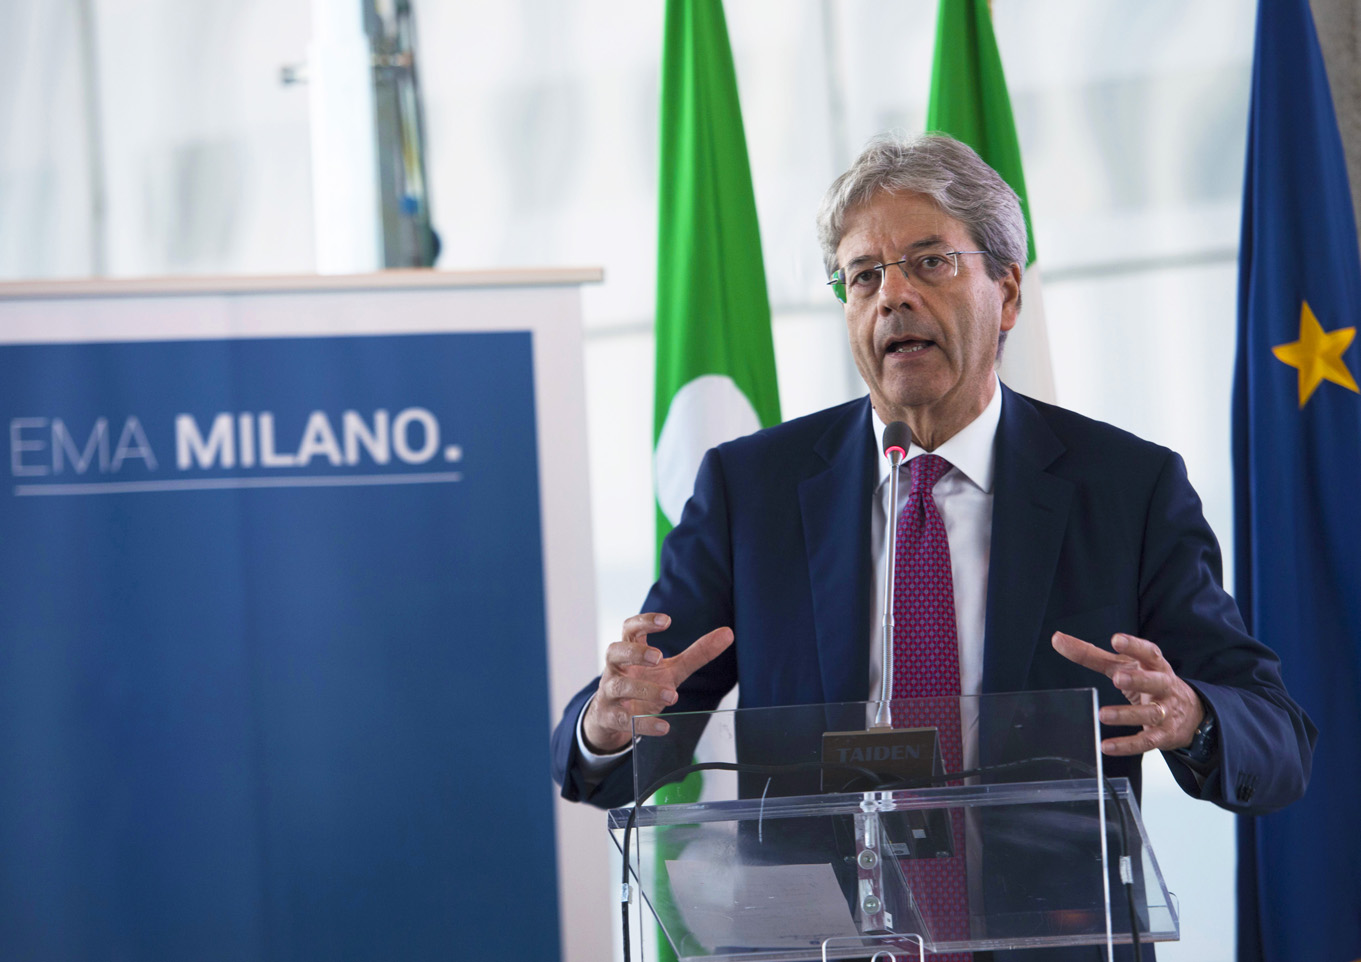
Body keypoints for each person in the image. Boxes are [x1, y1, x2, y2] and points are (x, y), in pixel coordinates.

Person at [550, 133, 1315, 831]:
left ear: (1007, 293)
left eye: (929, 262)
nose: (892, 296)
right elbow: (620, 745)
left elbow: (1275, 736)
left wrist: (1194, 716)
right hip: (822, 937)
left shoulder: (1125, 488)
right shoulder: (751, 492)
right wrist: (609, 726)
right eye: (862, 276)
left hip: (1052, 932)